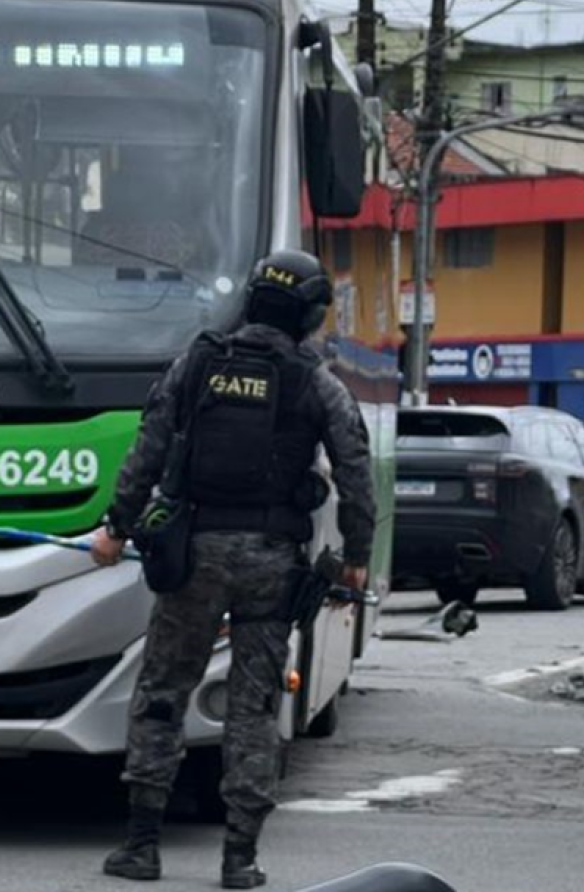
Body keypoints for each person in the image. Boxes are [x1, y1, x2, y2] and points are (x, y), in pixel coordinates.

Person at [90, 249, 376, 889]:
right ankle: (239, 858)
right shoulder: (317, 381)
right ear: (310, 313)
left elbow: (148, 448)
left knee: (162, 690)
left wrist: (115, 527)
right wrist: (356, 557)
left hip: (192, 554)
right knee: (254, 705)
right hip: (272, 564)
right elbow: (355, 472)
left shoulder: (198, 361)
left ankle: (140, 846)